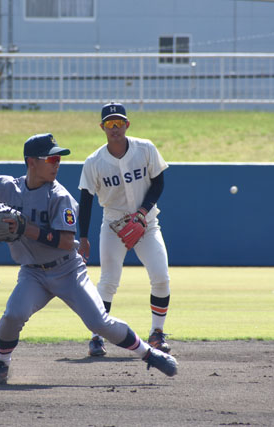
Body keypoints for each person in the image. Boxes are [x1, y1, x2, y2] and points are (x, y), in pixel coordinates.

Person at [0, 133, 177, 385]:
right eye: (52, 158)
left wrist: (25, 228)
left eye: (59, 158)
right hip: (33, 273)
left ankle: (148, 353)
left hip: (68, 271)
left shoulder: (60, 196)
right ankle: (0, 364)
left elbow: (66, 242)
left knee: (100, 323)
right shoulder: (9, 187)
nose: (57, 163)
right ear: (31, 162)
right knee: (13, 314)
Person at [78, 102, 171, 357]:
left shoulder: (145, 148)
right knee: (108, 281)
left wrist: (142, 212)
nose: (115, 128)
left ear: (127, 124)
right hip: (113, 225)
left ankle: (157, 333)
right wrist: (83, 237)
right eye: (110, 124)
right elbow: (85, 200)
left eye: (119, 122)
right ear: (102, 127)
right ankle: (97, 337)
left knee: (161, 277)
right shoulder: (94, 161)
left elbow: (158, 183)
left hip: (147, 223)